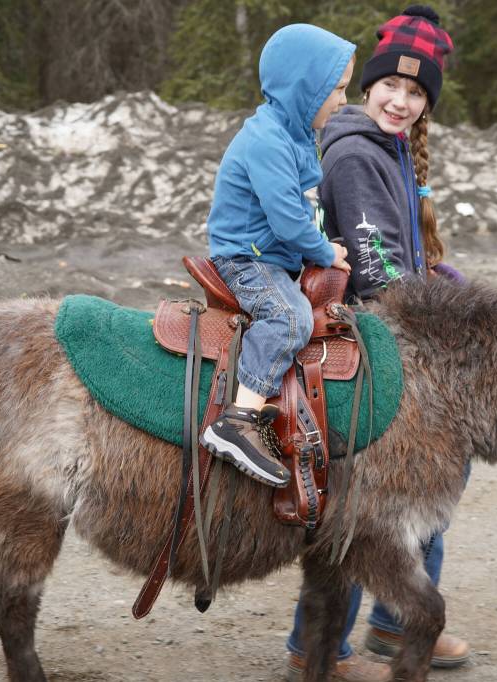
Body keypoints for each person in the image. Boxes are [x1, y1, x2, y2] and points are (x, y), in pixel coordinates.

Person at [285, 7, 470, 681]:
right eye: (392, 85)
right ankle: (324, 645)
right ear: (369, 85)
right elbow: (374, 269)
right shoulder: (358, 151)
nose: (402, 100)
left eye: (417, 93)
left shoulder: (390, 149)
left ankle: (394, 619)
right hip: (365, 337)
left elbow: (402, 254)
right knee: (381, 493)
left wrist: (443, 280)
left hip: (385, 327)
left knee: (424, 480)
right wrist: (447, 313)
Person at [199, 24, 355, 488]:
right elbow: (288, 218)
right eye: (338, 89)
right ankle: (238, 418)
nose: (344, 101)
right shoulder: (266, 140)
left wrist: (327, 243)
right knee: (291, 319)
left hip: (273, 252)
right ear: (304, 89)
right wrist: (324, 250)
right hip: (246, 258)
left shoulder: (300, 135)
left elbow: (309, 205)